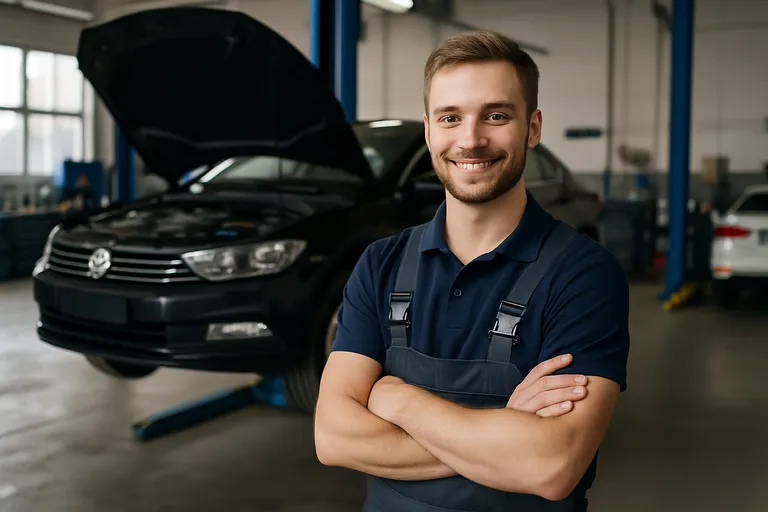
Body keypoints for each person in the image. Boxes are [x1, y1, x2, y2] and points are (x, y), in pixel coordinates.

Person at [314, 30, 630, 512]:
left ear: (533, 127)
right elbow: (333, 437)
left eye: (496, 115)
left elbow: (551, 466)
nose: (471, 139)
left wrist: (399, 402)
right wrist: (504, 429)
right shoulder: (380, 265)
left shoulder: (584, 274)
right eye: (450, 117)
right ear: (428, 131)